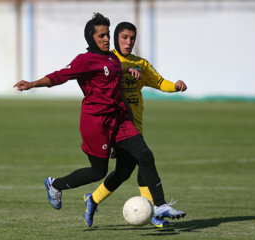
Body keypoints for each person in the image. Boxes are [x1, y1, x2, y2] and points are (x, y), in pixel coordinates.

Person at [13, 13, 185, 227]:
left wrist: (129, 115)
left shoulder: (113, 59)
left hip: (119, 119)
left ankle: (159, 205)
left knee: (145, 156)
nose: (106, 39)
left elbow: (120, 84)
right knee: (98, 172)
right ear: (91, 37)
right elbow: (59, 76)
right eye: (102, 35)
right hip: (95, 123)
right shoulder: (85, 61)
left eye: (107, 35)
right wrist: (32, 83)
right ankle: (55, 184)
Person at [86, 22, 187, 228]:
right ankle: (157, 208)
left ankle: (93, 200)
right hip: (116, 126)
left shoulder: (141, 64)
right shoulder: (108, 60)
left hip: (135, 125)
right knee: (144, 158)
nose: (128, 42)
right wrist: (123, 71)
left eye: (132, 38)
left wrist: (175, 86)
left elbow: (159, 82)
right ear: (115, 38)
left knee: (124, 172)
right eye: (124, 37)